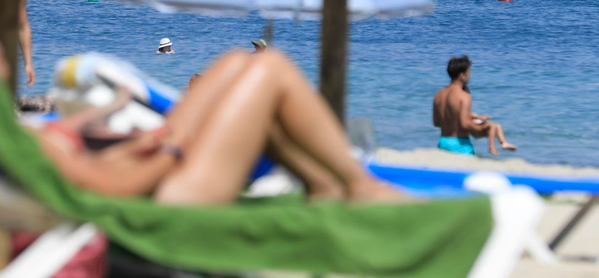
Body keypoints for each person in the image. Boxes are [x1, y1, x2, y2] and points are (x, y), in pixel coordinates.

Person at [27, 46, 399, 203]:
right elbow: (116, 186)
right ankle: (358, 184)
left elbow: (73, 151)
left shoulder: (12, 134)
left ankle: (325, 183)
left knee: (238, 63)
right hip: (165, 185)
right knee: (270, 68)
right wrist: (171, 148)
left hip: (146, 159)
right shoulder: (19, 141)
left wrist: (117, 117)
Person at [432, 56, 516, 156]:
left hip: (443, 142)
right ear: (462, 75)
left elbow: (436, 123)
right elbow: (465, 124)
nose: (469, 75)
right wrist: (483, 130)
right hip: (460, 145)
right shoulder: (464, 96)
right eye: (468, 72)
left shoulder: (439, 94)